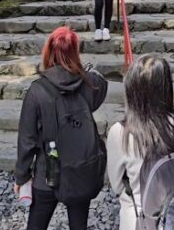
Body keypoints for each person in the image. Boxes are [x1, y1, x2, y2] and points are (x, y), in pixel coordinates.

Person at [14, 27, 109, 230]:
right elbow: (102, 83)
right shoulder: (89, 84)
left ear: (48, 51)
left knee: (36, 225)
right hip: (81, 169)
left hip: (47, 171)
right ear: (75, 52)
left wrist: (22, 176)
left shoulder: (37, 92)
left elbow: (27, 140)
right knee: (78, 225)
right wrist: (83, 69)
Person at [107, 55, 174, 230]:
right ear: (166, 86)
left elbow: (117, 185)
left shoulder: (120, 133)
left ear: (131, 89)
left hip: (139, 220)